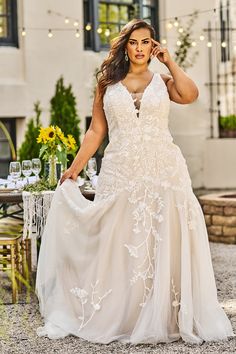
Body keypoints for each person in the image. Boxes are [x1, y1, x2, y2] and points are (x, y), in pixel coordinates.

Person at [36, 19, 234, 344]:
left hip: (164, 170)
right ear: (125, 45)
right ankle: (124, 312)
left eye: (146, 42)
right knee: (120, 240)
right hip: (121, 171)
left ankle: (164, 314)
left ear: (152, 46)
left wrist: (169, 60)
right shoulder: (107, 83)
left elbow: (191, 94)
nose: (140, 48)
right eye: (134, 42)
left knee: (162, 237)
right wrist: (75, 167)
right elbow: (96, 131)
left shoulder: (163, 79)